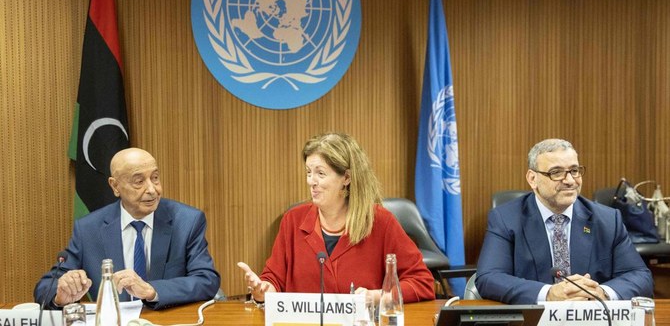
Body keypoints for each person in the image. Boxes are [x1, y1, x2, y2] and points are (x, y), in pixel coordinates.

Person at [238, 132, 435, 305]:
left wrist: (377, 296)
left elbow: (422, 282)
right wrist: (263, 290)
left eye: (320, 174)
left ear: (346, 178)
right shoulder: (293, 220)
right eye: (308, 172)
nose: (311, 182)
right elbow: (274, 280)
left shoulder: (380, 222)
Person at [34, 148, 221, 310]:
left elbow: (207, 280)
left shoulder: (187, 221)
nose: (152, 189)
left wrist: (151, 290)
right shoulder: (89, 229)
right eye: (139, 181)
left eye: (155, 178)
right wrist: (61, 294)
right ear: (115, 186)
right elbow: (44, 288)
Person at [475, 138, 654, 304]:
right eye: (556, 172)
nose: (569, 180)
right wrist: (549, 293)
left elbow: (640, 275)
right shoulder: (506, 218)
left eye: (574, 171)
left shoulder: (608, 220)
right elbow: (489, 277)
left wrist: (602, 293)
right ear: (532, 178)